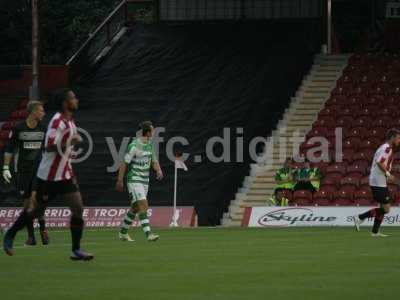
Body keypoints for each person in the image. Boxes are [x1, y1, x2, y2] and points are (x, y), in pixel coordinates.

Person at [3, 89, 94, 260]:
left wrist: (70, 151)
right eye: (73, 98)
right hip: (49, 176)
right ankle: (10, 233)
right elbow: (50, 146)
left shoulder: (70, 121)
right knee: (34, 211)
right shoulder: (56, 121)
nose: (76, 100)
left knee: (78, 208)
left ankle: (76, 250)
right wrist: (71, 141)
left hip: (65, 174)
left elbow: (63, 149)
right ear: (65, 103)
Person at [2, 101, 49, 246]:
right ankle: (31, 237)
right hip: (23, 171)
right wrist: (5, 167)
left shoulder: (43, 128)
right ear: (33, 112)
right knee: (28, 203)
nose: (43, 113)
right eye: (41, 111)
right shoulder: (19, 128)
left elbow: (49, 149)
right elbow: (9, 149)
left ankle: (42, 230)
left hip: (39, 170)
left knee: (35, 200)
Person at [116, 121, 163, 242]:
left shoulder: (150, 145)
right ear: (148, 132)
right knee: (144, 205)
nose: (153, 132)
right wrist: (120, 180)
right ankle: (149, 234)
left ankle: (123, 233)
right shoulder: (134, 145)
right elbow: (124, 163)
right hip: (134, 179)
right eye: (152, 130)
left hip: (145, 181)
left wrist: (158, 171)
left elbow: (154, 161)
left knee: (135, 208)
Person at [354, 129, 400, 237]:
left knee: (383, 207)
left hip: (379, 180)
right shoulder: (387, 148)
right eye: (398, 138)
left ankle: (375, 232)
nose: (399, 140)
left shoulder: (385, 147)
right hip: (377, 182)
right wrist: (388, 174)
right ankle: (360, 217)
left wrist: (386, 176)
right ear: (392, 137)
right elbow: (379, 162)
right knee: (386, 209)